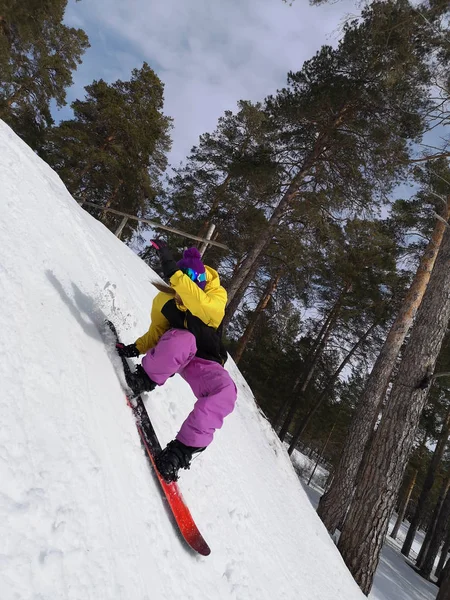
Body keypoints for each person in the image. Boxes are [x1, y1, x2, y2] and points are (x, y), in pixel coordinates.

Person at [115, 240, 237, 482]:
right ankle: (145, 379)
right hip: (178, 350)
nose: (180, 301)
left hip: (205, 362)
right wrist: (135, 348)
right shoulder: (164, 300)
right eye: (177, 295)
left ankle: (180, 452)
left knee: (226, 391)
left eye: (184, 295)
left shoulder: (216, 294)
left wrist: (176, 276)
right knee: (183, 340)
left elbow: (208, 310)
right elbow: (157, 334)